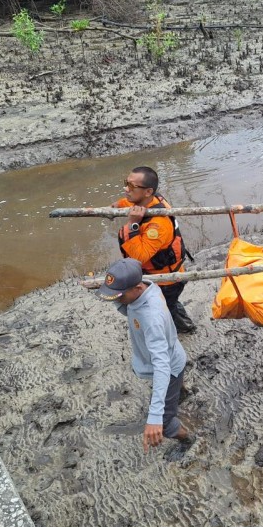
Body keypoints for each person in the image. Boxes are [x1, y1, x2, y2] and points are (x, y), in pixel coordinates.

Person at [98, 258, 194, 453]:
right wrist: (108, 292)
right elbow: (129, 307)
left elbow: (162, 366)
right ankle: (182, 393)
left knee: (165, 424)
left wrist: (155, 417)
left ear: (136, 288)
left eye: (118, 296)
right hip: (175, 353)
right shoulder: (150, 286)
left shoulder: (151, 319)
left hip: (170, 366)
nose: (116, 300)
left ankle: (189, 440)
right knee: (174, 384)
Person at [111, 166, 196, 334]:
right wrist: (115, 207)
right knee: (170, 304)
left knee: (166, 308)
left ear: (148, 191)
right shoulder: (145, 199)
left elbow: (140, 257)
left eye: (132, 186)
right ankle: (182, 322)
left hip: (166, 280)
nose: (126, 189)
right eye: (126, 183)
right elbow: (126, 201)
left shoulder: (158, 224)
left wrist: (133, 224)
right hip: (161, 274)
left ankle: (184, 328)